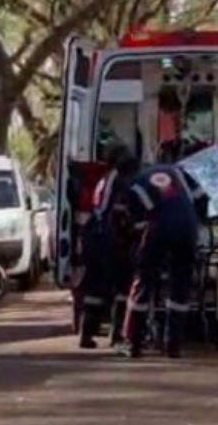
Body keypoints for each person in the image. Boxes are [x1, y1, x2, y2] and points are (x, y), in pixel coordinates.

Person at [119, 162, 209, 358]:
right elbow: (203, 198)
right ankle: (173, 345)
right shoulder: (178, 171)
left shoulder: (135, 183)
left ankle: (133, 342)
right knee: (180, 285)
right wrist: (196, 222)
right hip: (187, 230)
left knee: (143, 281)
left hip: (159, 229)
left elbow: (134, 221)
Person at [78, 143, 141, 349]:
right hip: (109, 238)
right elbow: (120, 213)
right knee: (122, 287)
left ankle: (87, 333)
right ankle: (118, 335)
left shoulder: (106, 178)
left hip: (94, 235)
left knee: (94, 289)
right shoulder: (121, 181)